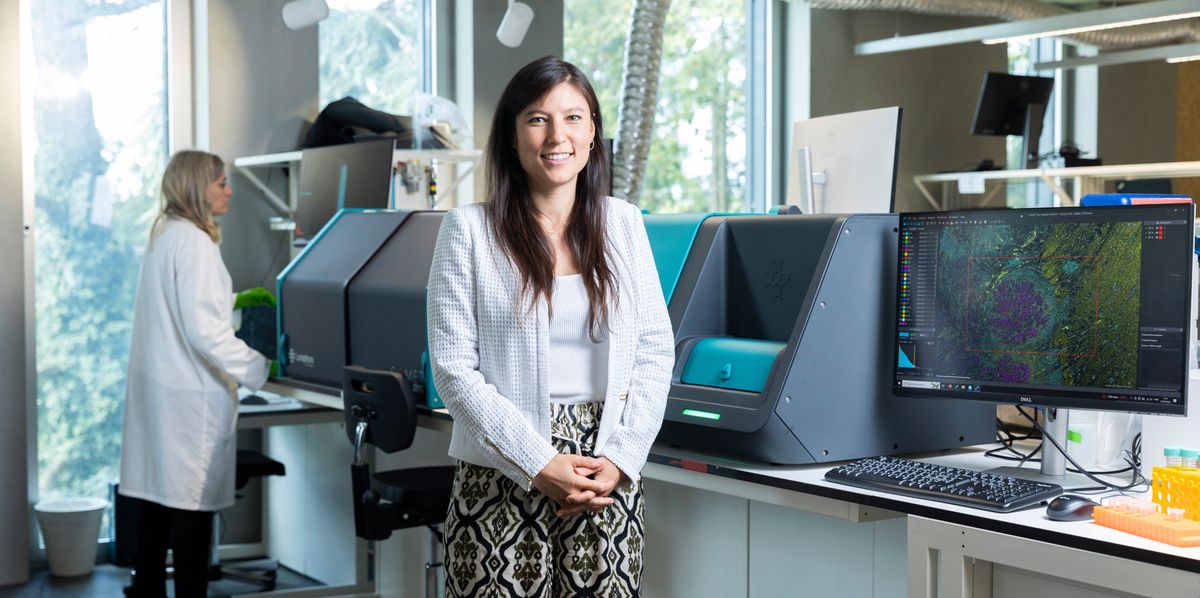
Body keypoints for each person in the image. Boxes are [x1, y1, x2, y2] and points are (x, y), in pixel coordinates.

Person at [427, 56, 675, 597]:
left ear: (592, 134)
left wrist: (622, 458)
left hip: (604, 470)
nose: (556, 135)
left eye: (574, 118)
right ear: (512, 138)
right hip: (502, 467)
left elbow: (656, 350)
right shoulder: (468, 231)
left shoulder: (625, 225)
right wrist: (538, 462)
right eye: (537, 119)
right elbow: (453, 370)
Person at [119, 150, 271, 598]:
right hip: (189, 399)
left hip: (161, 393)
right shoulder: (197, 244)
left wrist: (233, 302)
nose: (229, 190)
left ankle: (147, 589)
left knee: (158, 505)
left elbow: (186, 310)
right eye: (221, 183)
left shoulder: (165, 234)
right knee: (190, 512)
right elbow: (205, 332)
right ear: (196, 188)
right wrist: (261, 367)